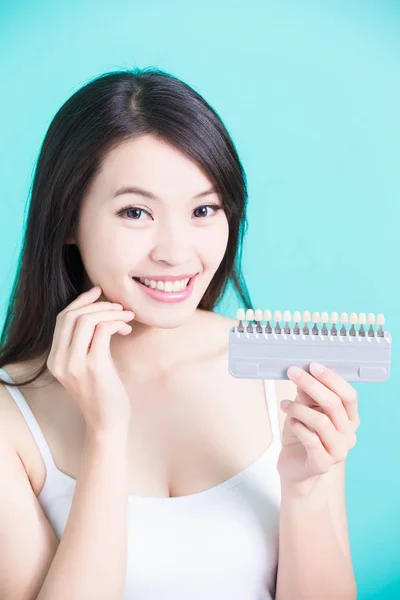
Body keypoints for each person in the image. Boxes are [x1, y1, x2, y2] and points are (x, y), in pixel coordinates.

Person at [0, 68, 356, 600]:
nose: (176, 251)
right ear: (68, 220)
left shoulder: (285, 374)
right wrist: (106, 435)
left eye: (203, 209)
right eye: (136, 211)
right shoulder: (11, 418)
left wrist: (305, 490)